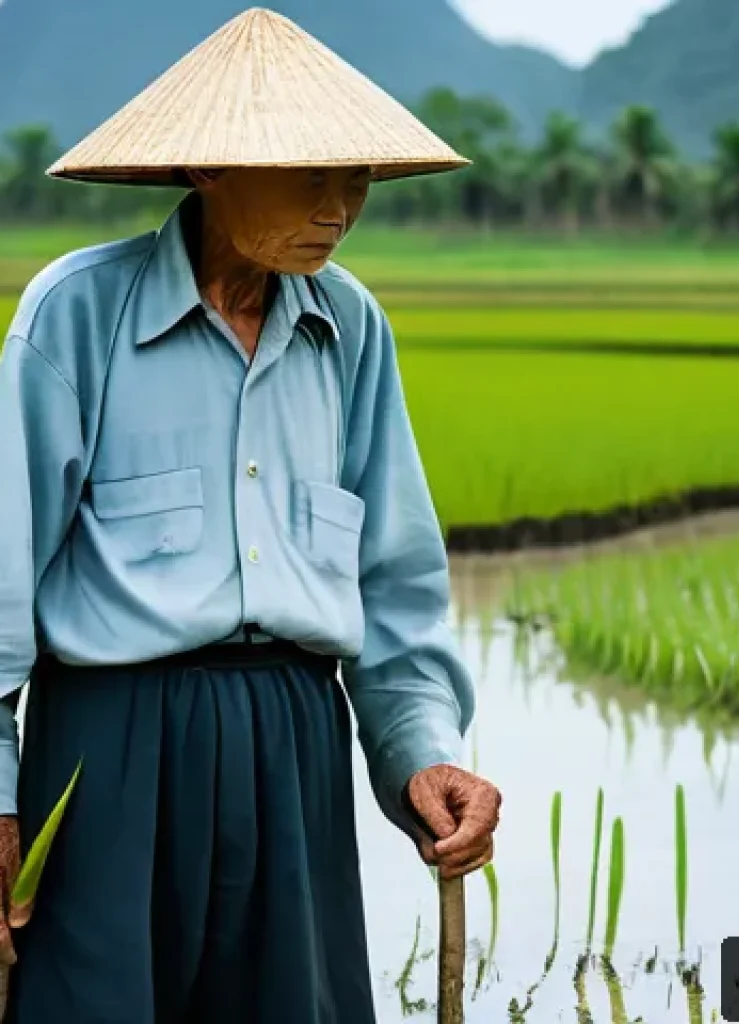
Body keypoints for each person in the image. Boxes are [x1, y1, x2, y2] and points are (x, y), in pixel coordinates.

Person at [0, 7, 500, 1022]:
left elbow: (392, 584)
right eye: (311, 174)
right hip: (110, 747)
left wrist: (421, 752)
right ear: (213, 170)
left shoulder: (349, 326)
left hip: (293, 740)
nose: (340, 206)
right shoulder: (78, 314)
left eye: (355, 177)